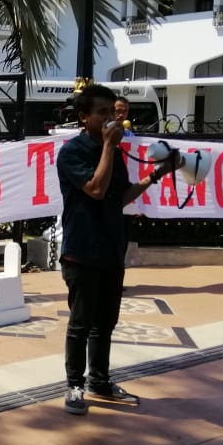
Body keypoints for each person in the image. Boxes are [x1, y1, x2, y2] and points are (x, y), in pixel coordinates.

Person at [56, 84, 175, 415]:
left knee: (105, 323)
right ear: (84, 118)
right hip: (82, 251)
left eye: (114, 112)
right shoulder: (72, 152)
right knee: (81, 322)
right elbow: (95, 189)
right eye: (103, 113)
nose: (112, 119)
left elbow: (118, 197)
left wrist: (154, 176)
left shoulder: (117, 152)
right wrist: (109, 147)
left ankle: (100, 380)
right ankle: (75, 386)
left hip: (111, 248)